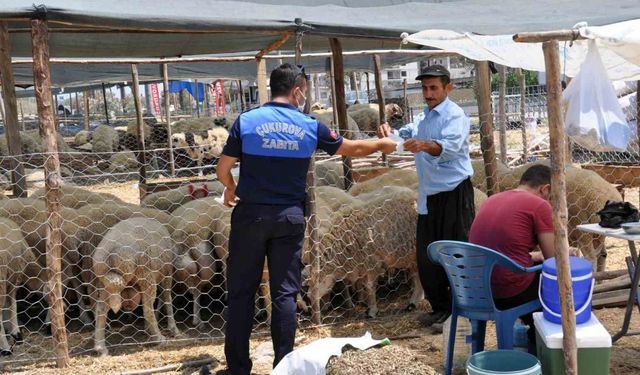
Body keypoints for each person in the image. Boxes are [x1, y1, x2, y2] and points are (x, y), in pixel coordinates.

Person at [216, 63, 397, 375]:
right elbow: (350, 149)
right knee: (285, 293)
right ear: (297, 91)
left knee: (242, 293)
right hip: (289, 217)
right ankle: (283, 365)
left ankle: (238, 368)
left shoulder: (246, 122)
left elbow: (222, 168)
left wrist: (231, 188)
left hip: (251, 217)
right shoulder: (309, 125)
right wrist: (383, 144)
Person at [377, 65, 474, 331]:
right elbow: (404, 135)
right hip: (430, 194)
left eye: (433, 88)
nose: (428, 93)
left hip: (454, 192)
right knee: (428, 255)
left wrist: (425, 145)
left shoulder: (455, 116)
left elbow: (451, 147)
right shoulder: (424, 118)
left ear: (448, 88)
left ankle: (460, 310)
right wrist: (389, 134)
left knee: (456, 252)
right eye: (425, 88)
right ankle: (440, 307)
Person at [468, 164, 556, 350]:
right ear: (545, 188)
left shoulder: (492, 199)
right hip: (508, 293)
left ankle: (528, 337)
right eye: (551, 194)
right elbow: (553, 260)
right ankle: (541, 344)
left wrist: (533, 256)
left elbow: (500, 248)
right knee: (556, 286)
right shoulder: (539, 205)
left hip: (474, 291)